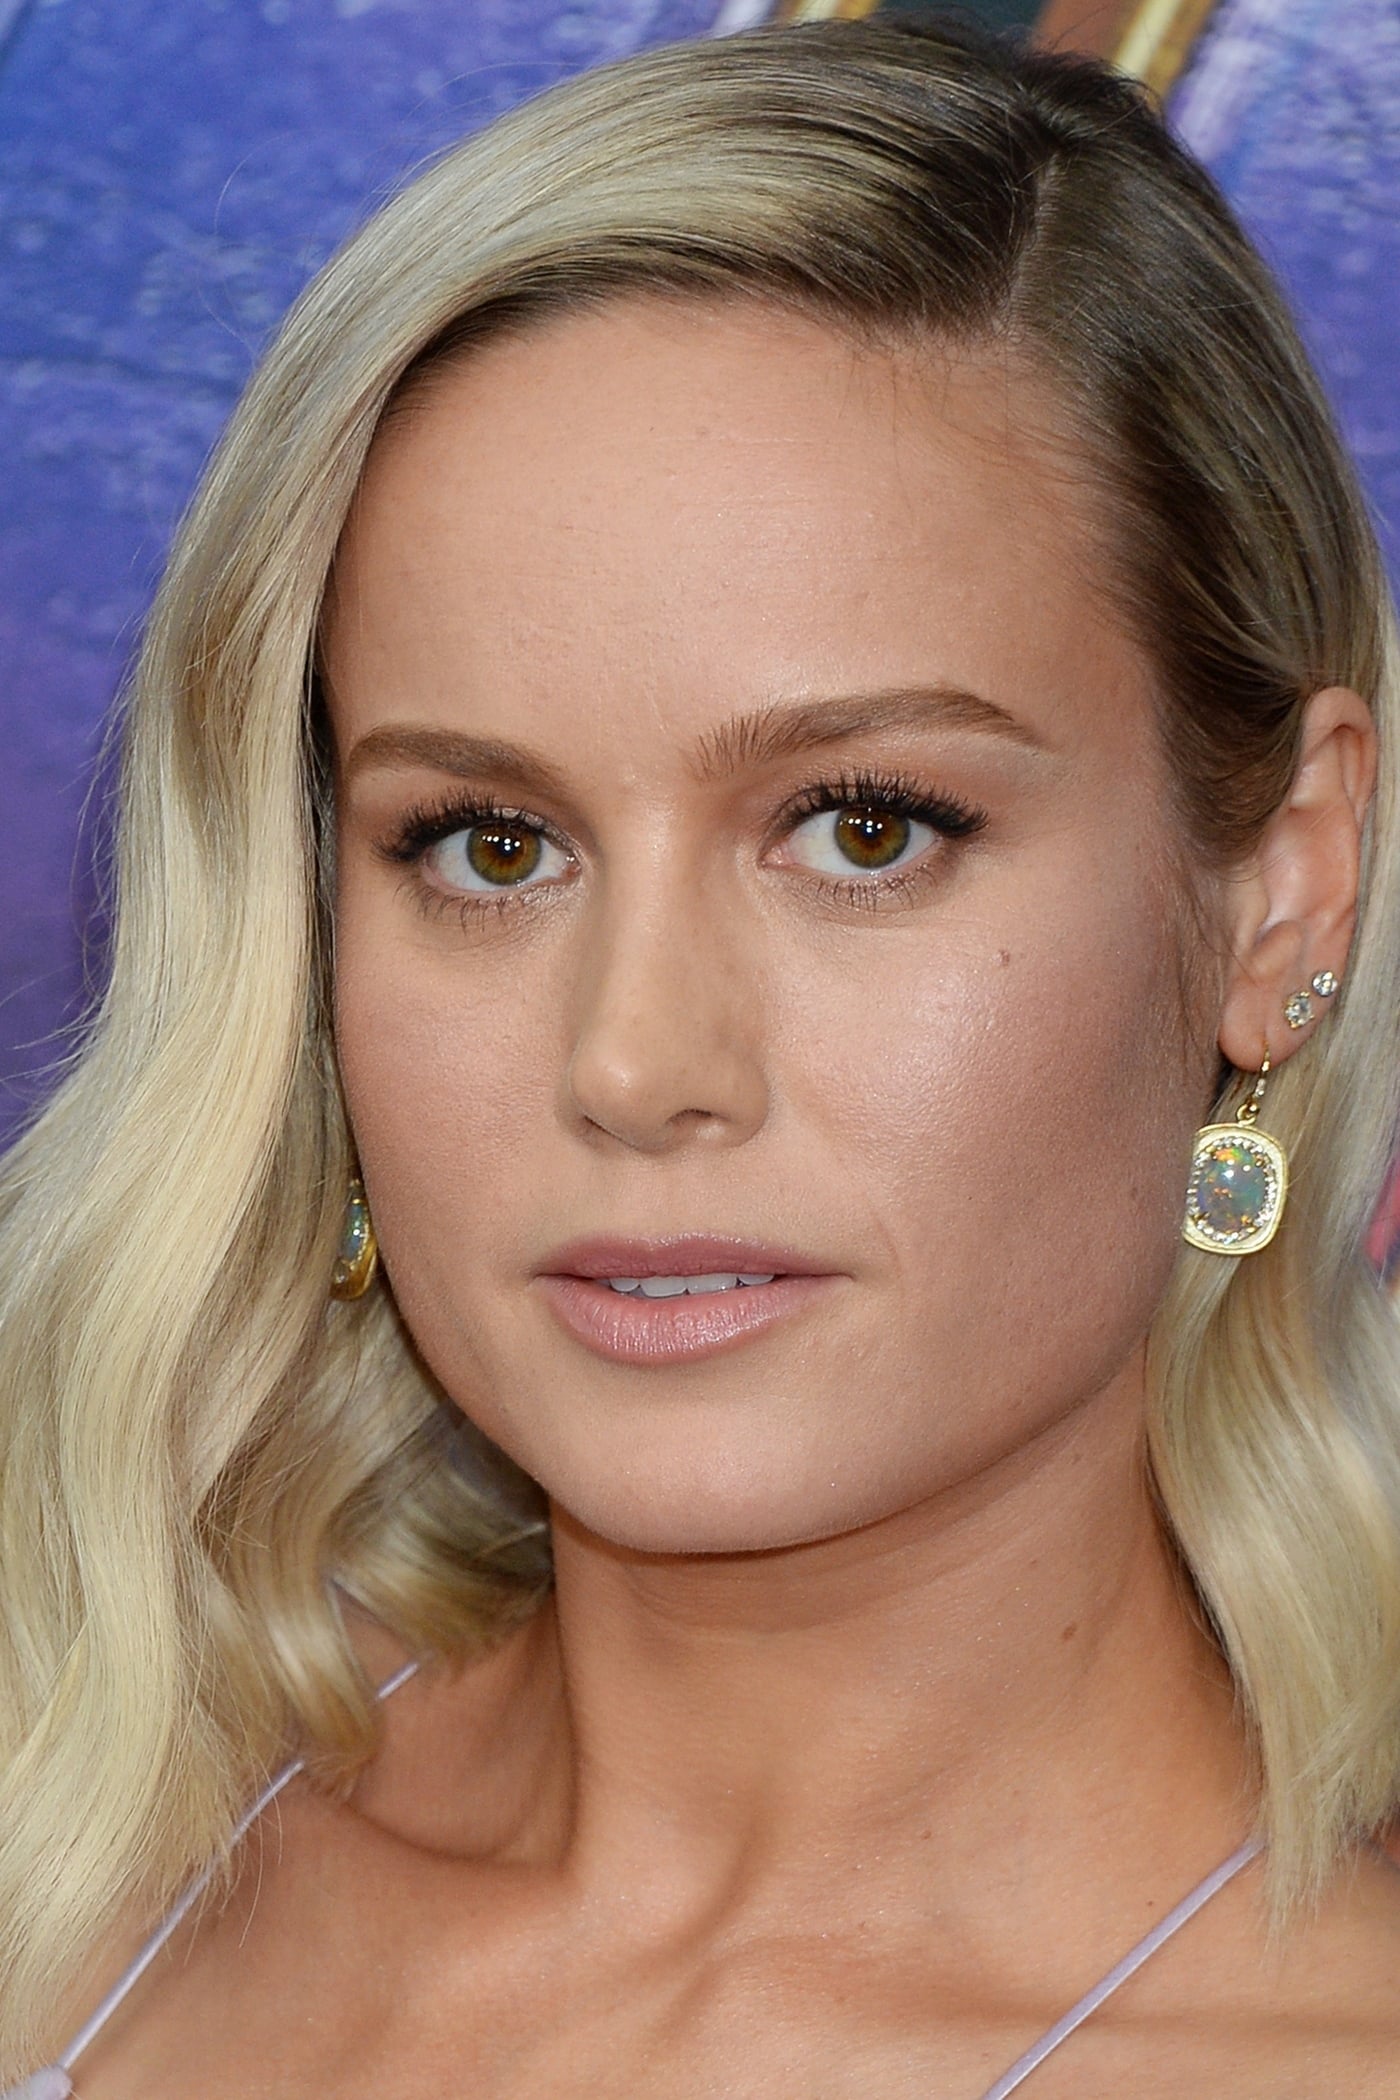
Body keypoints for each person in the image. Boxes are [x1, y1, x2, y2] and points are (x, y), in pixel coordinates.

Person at [2, 16, 1399, 2095]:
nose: (637, 1064)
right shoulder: (65, 1836)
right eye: (488, 846)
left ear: (1278, 895)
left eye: (866, 829)